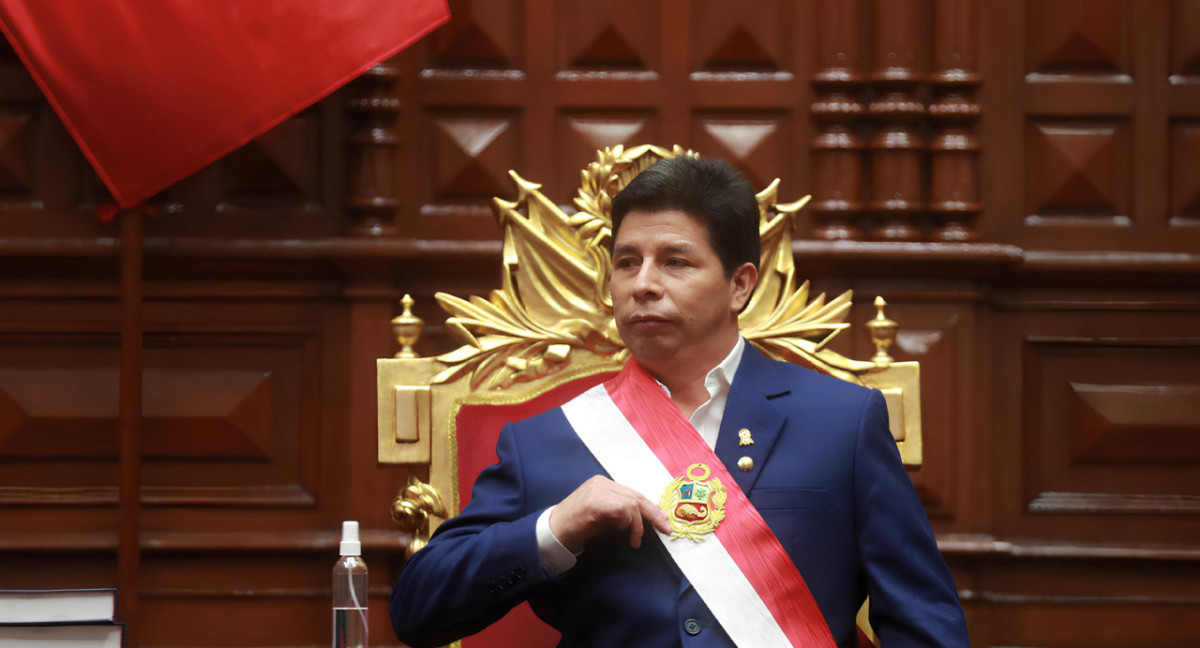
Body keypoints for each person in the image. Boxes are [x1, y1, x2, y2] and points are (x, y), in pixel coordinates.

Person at [390, 157, 968, 647]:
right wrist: (555, 528)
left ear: (740, 284)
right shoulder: (544, 439)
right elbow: (418, 610)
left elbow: (923, 622)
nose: (643, 283)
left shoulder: (842, 421)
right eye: (626, 262)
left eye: (675, 261)